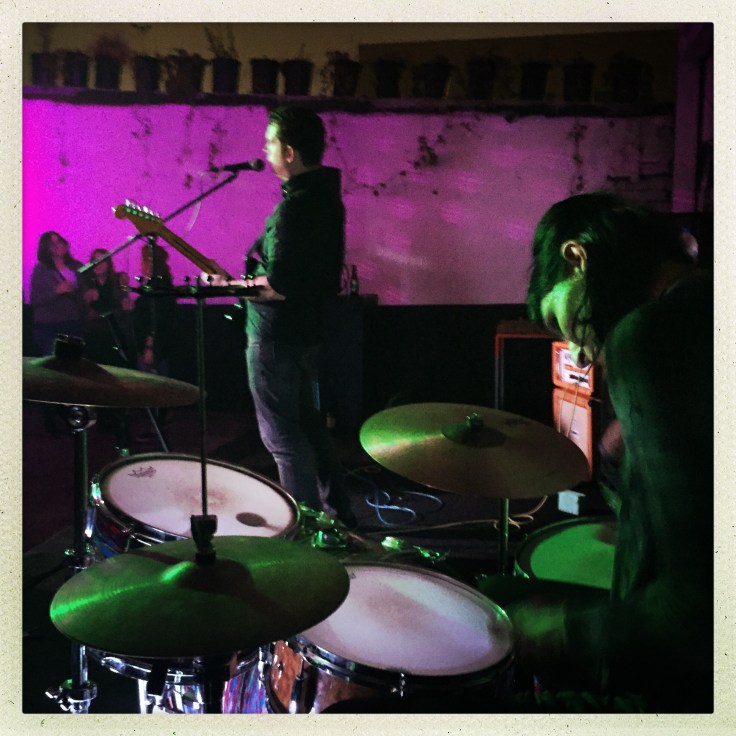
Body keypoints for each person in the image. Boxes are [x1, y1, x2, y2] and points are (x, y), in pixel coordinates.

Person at [483, 190, 713, 712]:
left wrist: (563, 632)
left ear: (577, 258)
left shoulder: (648, 335)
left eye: (562, 323)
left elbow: (694, 607)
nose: (581, 355)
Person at [212, 105, 354, 526]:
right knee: (311, 429)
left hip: (275, 338)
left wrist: (228, 285)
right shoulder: (328, 200)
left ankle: (306, 529)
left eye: (270, 143)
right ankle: (338, 518)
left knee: (283, 439)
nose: (264, 150)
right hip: (306, 335)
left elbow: (278, 284)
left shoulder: (295, 209)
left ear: (290, 152)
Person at [29, 231, 85, 355]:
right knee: (53, 362)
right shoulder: (41, 270)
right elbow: (35, 299)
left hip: (72, 323)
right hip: (49, 325)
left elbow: (83, 293)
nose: (57, 245)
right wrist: (56, 291)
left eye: (59, 241)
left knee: (72, 361)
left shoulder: (76, 266)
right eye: (52, 244)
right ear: (46, 249)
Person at [81, 247, 133, 366]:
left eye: (102, 261)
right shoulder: (87, 282)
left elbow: (123, 307)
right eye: (95, 260)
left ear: (108, 264)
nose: (98, 264)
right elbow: (84, 310)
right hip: (94, 334)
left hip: (114, 333)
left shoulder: (117, 281)